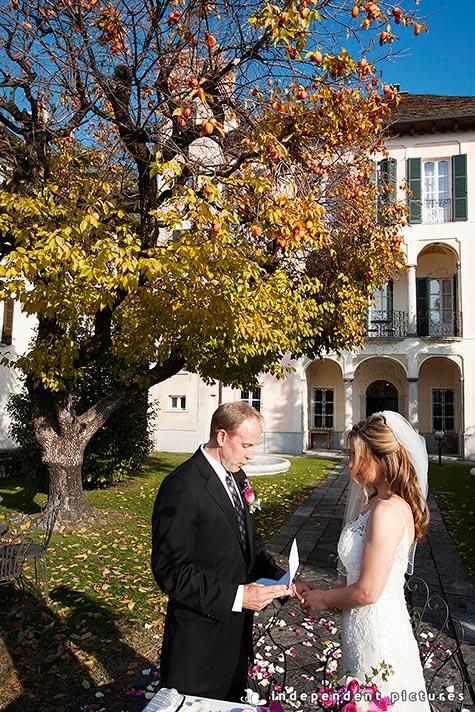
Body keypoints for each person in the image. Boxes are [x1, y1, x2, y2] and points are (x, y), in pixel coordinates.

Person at [292, 411, 431, 712]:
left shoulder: (386, 512)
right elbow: (363, 577)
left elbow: (368, 591)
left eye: (357, 456)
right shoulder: (377, 503)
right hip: (362, 625)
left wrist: (323, 599)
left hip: (378, 633)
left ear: (380, 459)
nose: (350, 464)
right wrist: (320, 590)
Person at [151, 402, 288, 702]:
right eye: (246, 445)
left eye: (255, 445)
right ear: (222, 437)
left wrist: (283, 579)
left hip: (235, 638)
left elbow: (250, 543)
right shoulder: (181, 487)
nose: (251, 454)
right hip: (199, 647)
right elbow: (171, 572)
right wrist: (239, 597)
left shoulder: (235, 475)